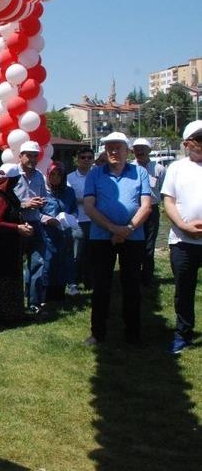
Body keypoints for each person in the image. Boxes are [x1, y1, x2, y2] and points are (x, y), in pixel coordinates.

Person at [83, 132, 151, 345]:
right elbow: (88, 207)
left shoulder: (139, 172)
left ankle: (133, 333)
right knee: (101, 286)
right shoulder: (95, 174)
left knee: (131, 285)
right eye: (109, 148)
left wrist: (127, 229)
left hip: (133, 237)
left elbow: (146, 206)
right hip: (101, 238)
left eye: (118, 148)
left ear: (127, 150)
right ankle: (98, 333)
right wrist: (113, 228)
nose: (113, 151)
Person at [162, 121, 202, 354]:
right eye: (198, 140)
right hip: (183, 242)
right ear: (187, 144)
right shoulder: (177, 168)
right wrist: (183, 225)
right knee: (184, 291)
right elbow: (169, 201)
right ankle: (183, 334)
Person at [0, 163, 33, 322]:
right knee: (1, 277)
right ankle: (2, 314)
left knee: (8, 276)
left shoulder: (4, 194)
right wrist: (17, 227)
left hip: (6, 244)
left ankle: (11, 312)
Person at [14, 140, 50, 313]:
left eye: (35, 156)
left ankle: (34, 302)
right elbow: (3, 201)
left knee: (38, 262)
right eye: (29, 155)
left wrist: (40, 202)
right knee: (15, 264)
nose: (33, 159)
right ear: (20, 156)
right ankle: (15, 301)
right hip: (17, 224)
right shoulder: (12, 175)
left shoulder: (39, 176)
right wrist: (25, 204)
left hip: (35, 223)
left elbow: (43, 198)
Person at [132, 138, 166, 284]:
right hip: (134, 211)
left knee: (149, 245)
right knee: (134, 244)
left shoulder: (159, 169)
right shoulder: (129, 168)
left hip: (152, 211)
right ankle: (132, 274)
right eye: (137, 148)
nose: (139, 151)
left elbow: (164, 191)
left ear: (149, 151)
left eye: (143, 148)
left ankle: (147, 278)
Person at [42, 162, 77, 302]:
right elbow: (36, 213)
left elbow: (74, 209)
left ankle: (59, 293)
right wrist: (47, 219)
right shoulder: (42, 190)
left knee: (63, 261)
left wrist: (71, 218)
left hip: (64, 231)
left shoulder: (69, 191)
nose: (55, 178)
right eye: (53, 174)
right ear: (48, 175)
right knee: (48, 261)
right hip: (47, 232)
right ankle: (45, 294)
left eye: (59, 175)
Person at [66, 148, 95, 293]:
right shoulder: (70, 177)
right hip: (78, 220)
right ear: (78, 159)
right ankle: (74, 282)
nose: (86, 160)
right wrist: (88, 200)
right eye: (83, 157)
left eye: (89, 157)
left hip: (95, 220)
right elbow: (69, 199)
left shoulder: (97, 175)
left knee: (92, 253)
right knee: (77, 254)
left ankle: (90, 281)